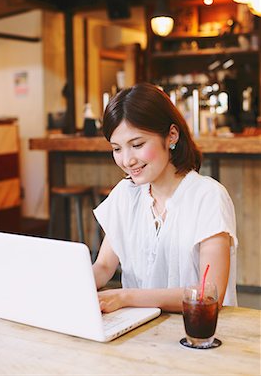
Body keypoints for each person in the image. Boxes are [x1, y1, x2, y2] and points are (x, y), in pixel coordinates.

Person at [93, 82, 237, 313]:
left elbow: (210, 293)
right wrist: (69, 285)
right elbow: (103, 266)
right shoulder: (125, 195)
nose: (127, 160)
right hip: (140, 331)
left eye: (137, 144)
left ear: (171, 136)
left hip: (200, 334)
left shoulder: (208, 197)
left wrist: (125, 297)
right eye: (117, 149)